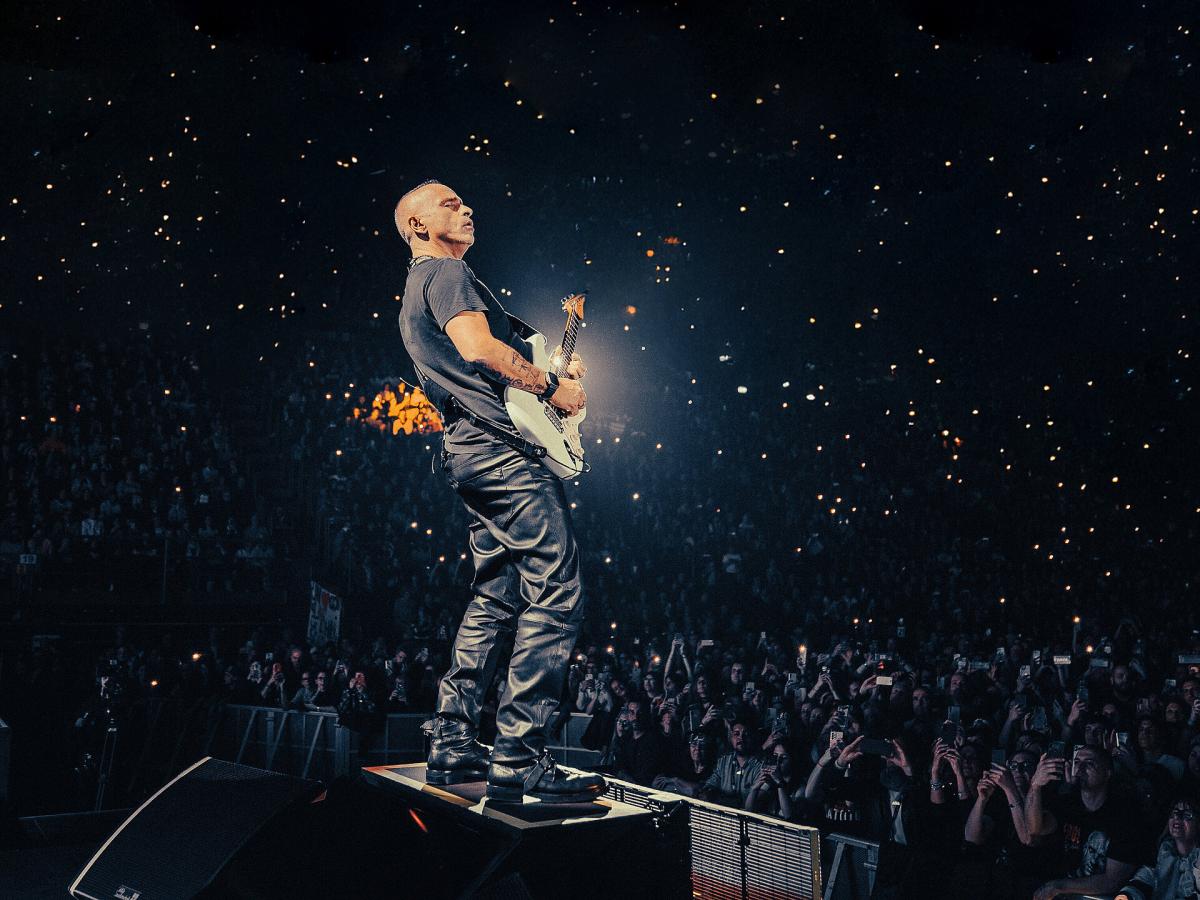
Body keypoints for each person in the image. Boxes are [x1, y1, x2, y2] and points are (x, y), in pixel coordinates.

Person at [395, 180, 602, 804]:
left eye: (464, 201)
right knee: (557, 590)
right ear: (417, 226)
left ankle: (452, 740)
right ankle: (519, 755)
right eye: (450, 204)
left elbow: (480, 366)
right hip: (501, 457)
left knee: (494, 595)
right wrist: (553, 388)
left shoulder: (415, 291)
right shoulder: (446, 273)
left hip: (469, 455)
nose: (466, 208)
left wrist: (549, 371)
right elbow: (481, 350)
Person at [1026, 746, 1149, 899]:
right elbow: (1034, 829)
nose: (1080, 768)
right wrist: (1035, 785)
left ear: (1107, 773)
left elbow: (1113, 880)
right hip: (1064, 893)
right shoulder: (1068, 803)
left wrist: (1058, 886)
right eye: (1077, 762)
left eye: (1089, 763)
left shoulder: (1124, 814)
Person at [1115, 796, 1200, 900]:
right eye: (1175, 813)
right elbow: (1144, 879)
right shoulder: (1164, 853)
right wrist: (1126, 896)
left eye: (1187, 815)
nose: (1177, 818)